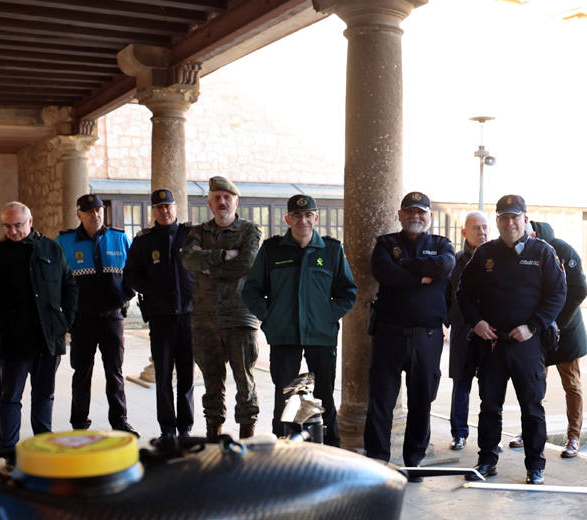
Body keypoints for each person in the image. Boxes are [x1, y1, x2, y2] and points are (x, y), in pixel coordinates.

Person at [458, 194, 565, 484]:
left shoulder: (542, 252)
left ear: (525, 219)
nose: (509, 222)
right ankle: (487, 460)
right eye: (503, 217)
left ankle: (535, 465)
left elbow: (558, 294)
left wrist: (534, 326)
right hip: (491, 343)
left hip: (526, 344)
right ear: (497, 221)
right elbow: (463, 293)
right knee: (489, 406)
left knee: (532, 408)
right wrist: (476, 321)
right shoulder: (485, 254)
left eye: (515, 217)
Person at [243, 194, 357, 445]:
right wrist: (270, 318)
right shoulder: (272, 250)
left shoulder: (331, 250)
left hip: (321, 336)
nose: (302, 220)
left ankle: (330, 446)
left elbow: (348, 292)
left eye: (308, 215)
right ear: (288, 219)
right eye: (296, 215)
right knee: (284, 394)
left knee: (324, 394)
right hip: (284, 336)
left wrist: (327, 316)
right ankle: (282, 446)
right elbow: (251, 291)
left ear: (316, 218)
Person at [363, 191, 455, 475]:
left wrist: (404, 268)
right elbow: (384, 272)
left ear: (429, 217)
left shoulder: (442, 245)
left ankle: (413, 460)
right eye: (409, 212)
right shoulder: (386, 243)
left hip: (426, 338)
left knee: (420, 402)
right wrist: (421, 277)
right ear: (400, 215)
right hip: (389, 336)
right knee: (381, 401)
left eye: (421, 212)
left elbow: (446, 266)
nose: (415, 216)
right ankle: (377, 459)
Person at [0, 201, 77, 451]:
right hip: (14, 340)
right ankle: (10, 449)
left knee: (44, 396)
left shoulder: (51, 248)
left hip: (48, 337)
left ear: (30, 222)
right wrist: (1, 324)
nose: (12, 231)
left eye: (18, 225)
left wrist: (65, 322)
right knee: (11, 397)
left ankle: (43, 445)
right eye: (7, 226)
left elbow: (70, 286)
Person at [181, 176, 263, 438]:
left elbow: (246, 264)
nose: (222, 202)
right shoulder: (198, 232)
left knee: (244, 382)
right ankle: (213, 437)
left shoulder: (250, 231)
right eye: (217, 197)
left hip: (240, 317)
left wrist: (208, 267)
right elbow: (188, 259)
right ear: (209, 203)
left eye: (227, 197)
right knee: (211, 383)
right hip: (205, 320)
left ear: (236, 201)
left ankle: (246, 439)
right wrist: (224, 255)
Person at [507, 219, 587, 458]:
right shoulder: (520, 251)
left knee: (571, 384)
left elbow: (579, 289)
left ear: (535, 234)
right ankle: (529, 431)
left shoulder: (561, 249)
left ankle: (574, 436)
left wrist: (555, 322)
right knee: (532, 383)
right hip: (536, 329)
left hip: (565, 329)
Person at [57, 193, 136, 435]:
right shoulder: (65, 242)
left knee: (115, 372)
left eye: (99, 211)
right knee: (82, 372)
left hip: (112, 317)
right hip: (82, 320)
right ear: (79, 215)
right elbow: (57, 280)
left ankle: (120, 421)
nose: (96, 215)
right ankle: (79, 423)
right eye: (90, 212)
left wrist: (124, 298)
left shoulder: (119, 238)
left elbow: (134, 272)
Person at [124, 188, 195, 445]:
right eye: (159, 207)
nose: (164, 211)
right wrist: (150, 288)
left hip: (189, 316)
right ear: (153, 211)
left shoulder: (191, 235)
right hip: (160, 317)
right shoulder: (144, 241)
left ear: (175, 208)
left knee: (186, 375)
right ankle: (167, 428)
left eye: (168, 206)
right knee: (163, 375)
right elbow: (130, 274)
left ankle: (185, 427)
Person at [446, 211, 488, 451]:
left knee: (490, 387)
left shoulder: (496, 259)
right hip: (463, 333)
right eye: (476, 228)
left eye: (485, 228)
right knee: (461, 384)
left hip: (489, 334)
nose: (481, 233)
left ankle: (489, 436)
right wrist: (453, 320)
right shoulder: (456, 261)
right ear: (464, 232)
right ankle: (459, 433)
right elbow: (446, 296)